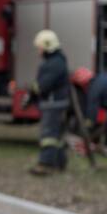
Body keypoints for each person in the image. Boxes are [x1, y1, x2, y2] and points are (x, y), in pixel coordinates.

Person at [29, 30, 70, 176]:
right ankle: (60, 163)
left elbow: (43, 85)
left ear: (47, 46)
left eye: (39, 47)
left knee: (48, 136)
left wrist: (33, 90)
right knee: (56, 137)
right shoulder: (57, 61)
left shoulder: (54, 64)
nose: (38, 51)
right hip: (56, 103)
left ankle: (45, 165)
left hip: (53, 104)